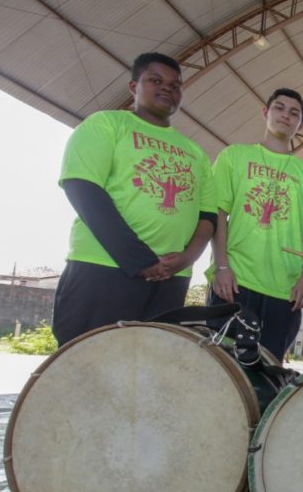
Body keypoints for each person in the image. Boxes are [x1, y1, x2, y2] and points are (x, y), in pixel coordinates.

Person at [53, 52, 216, 346]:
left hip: (171, 278)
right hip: (104, 268)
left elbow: (208, 217)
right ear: (133, 87)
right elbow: (83, 189)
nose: (167, 88)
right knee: (83, 364)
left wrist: (186, 259)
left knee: (149, 369)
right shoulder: (106, 124)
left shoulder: (196, 153)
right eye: (156, 80)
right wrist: (139, 259)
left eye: (175, 85)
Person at [207, 88, 303, 361]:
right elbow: (218, 214)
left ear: (301, 124)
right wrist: (221, 266)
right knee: (221, 364)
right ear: (265, 113)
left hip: (284, 288)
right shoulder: (235, 156)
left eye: (294, 113)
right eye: (279, 108)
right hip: (236, 281)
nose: (286, 115)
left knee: (269, 367)